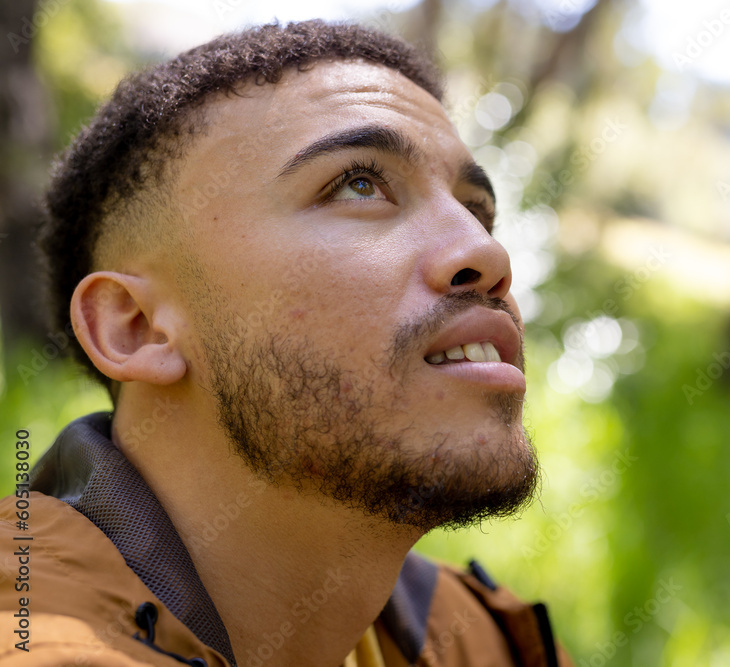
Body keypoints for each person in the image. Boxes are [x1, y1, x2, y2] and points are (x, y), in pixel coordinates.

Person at [0, 20, 573, 667]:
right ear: (135, 325)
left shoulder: (486, 640)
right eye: (359, 184)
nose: (487, 252)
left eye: (477, 211)